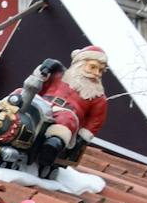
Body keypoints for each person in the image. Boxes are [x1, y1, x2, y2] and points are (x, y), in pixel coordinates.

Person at [28, 45, 109, 176]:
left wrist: (83, 138)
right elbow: (38, 82)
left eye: (100, 71)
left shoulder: (98, 97)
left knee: (67, 119)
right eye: (92, 67)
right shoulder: (59, 75)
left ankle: (52, 145)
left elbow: (96, 120)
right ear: (80, 63)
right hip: (42, 103)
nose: (96, 74)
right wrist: (46, 68)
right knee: (20, 94)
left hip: (65, 114)